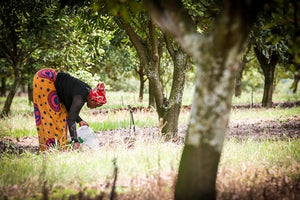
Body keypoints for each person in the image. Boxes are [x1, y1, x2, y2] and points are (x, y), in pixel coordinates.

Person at [33, 68, 107, 151]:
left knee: (62, 114)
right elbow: (71, 119)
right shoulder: (80, 98)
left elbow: (70, 108)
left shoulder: (87, 91)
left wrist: (79, 120)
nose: (94, 108)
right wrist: (75, 141)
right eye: (96, 106)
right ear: (92, 100)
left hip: (49, 77)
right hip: (45, 80)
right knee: (49, 118)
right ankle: (48, 149)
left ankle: (60, 147)